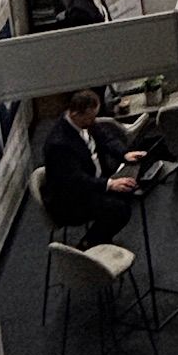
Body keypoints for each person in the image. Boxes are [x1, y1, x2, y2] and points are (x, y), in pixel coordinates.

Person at [41, 89, 144, 248]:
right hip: (71, 200)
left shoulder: (85, 123)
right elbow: (75, 180)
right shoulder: (59, 145)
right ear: (75, 114)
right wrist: (109, 184)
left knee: (127, 190)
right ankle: (88, 244)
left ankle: (101, 238)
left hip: (92, 183)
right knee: (119, 209)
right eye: (90, 117)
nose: (93, 121)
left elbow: (106, 139)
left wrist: (124, 154)